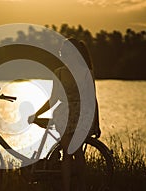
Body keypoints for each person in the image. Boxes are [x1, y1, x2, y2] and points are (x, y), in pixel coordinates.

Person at [28, 38, 100, 191]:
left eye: (64, 52)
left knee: (76, 152)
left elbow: (92, 98)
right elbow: (53, 99)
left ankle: (81, 186)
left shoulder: (87, 73)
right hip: (64, 114)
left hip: (81, 115)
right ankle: (70, 187)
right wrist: (37, 113)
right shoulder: (59, 72)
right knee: (70, 152)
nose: (62, 54)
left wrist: (97, 123)